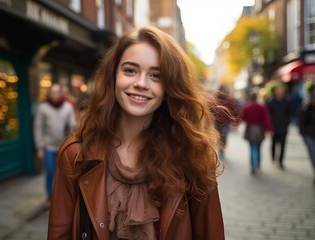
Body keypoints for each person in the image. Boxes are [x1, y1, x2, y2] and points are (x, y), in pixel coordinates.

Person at [48, 27, 224, 239]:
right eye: (130, 70)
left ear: (169, 88)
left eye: (156, 75)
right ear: (113, 77)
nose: (141, 84)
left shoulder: (192, 155)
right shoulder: (76, 154)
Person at [33, 83, 76, 207]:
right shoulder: (43, 108)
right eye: (52, 93)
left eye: (57, 92)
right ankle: (49, 196)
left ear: (60, 94)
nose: (55, 95)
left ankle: (62, 196)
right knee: (50, 171)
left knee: (63, 173)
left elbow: (72, 124)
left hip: (63, 147)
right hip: (48, 147)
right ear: (50, 94)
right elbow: (38, 127)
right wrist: (39, 147)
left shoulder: (67, 107)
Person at [240, 92, 273, 174]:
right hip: (260, 130)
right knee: (258, 147)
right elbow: (266, 119)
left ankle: (252, 166)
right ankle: (257, 163)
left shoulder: (247, 107)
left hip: (250, 130)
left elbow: (242, 117)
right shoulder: (261, 107)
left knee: (252, 148)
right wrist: (269, 130)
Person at [266, 84, 292, 169]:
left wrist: (287, 123)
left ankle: (280, 161)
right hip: (274, 128)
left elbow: (289, 114)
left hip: (283, 128)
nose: (280, 92)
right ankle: (273, 157)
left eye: (281, 90)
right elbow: (268, 115)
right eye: (278, 90)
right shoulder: (270, 102)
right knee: (273, 144)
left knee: (283, 145)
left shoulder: (287, 102)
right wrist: (269, 128)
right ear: (275, 92)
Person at [212, 84, 239, 160]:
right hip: (224, 122)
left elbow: (234, 110)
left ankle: (221, 150)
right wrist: (236, 121)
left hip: (219, 121)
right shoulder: (228, 99)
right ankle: (222, 150)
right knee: (223, 136)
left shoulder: (217, 98)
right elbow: (234, 110)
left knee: (220, 136)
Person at [298, 83, 315, 186]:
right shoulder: (306, 107)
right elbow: (301, 121)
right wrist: (303, 133)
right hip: (309, 135)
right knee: (313, 154)